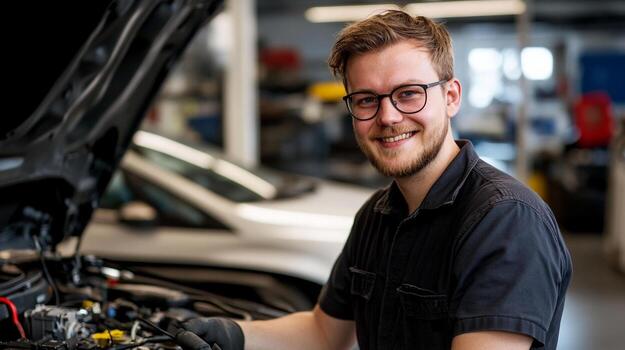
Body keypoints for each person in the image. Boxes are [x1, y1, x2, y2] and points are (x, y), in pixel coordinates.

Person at [180, 10, 572, 350]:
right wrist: (232, 333)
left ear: (451, 96)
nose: (387, 117)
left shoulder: (505, 221)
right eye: (367, 99)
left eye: (408, 94)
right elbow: (322, 333)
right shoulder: (376, 215)